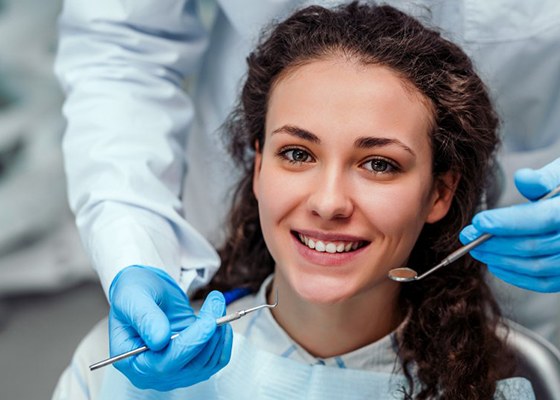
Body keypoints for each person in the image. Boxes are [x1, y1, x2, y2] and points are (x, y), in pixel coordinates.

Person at [54, 0, 560, 391]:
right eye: (297, 154)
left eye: (379, 164)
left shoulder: (523, 381)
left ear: (440, 192)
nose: (328, 202)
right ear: (256, 164)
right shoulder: (105, 372)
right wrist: (134, 246)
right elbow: (122, 43)